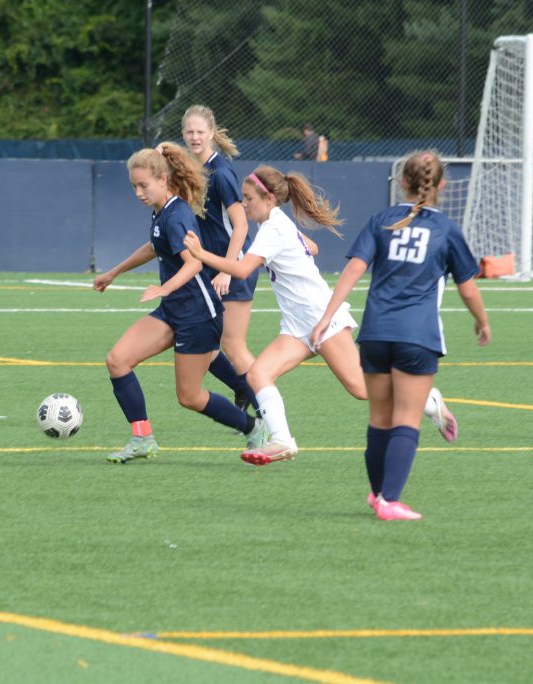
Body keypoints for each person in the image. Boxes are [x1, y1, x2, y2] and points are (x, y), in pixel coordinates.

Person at [184, 165, 460, 467]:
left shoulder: (275, 228)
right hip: (296, 324)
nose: (244, 204)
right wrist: (298, 246)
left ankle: (427, 398)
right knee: (257, 374)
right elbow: (312, 247)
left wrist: (201, 254)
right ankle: (283, 440)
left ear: (269, 199)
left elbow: (240, 269)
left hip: (319, 317)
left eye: (249, 198)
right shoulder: (277, 226)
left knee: (360, 388)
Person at [313, 151, 489, 521]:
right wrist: (481, 322)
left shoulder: (381, 220)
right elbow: (468, 288)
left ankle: (378, 495)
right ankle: (390, 501)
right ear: (442, 185)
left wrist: (327, 317)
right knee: (407, 419)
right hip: (417, 336)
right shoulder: (446, 230)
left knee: (379, 418)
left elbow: (352, 271)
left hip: (376, 333)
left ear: (403, 182)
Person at [93, 143, 266, 463]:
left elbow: (193, 264)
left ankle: (253, 426)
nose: (138, 193)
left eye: (143, 185)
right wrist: (114, 272)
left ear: (163, 179)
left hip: (198, 314)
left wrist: (163, 288)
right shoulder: (163, 211)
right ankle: (142, 438)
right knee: (117, 360)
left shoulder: (176, 214)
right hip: (174, 310)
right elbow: (154, 246)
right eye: (134, 186)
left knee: (189, 397)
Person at [181, 105, 260, 412]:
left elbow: (240, 225)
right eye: (189, 132)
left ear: (211, 134)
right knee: (204, 336)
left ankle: (268, 410)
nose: (195, 137)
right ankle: (243, 388)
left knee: (233, 345)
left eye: (200, 132)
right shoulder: (191, 169)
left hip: (233, 265)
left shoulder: (221, 173)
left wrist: (228, 271)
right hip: (210, 267)